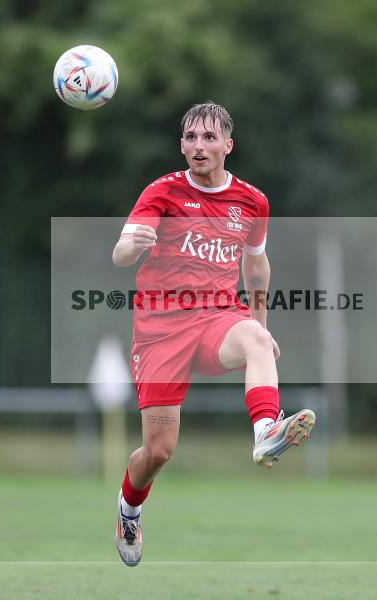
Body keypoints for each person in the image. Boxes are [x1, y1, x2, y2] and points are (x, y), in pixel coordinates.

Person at [111, 102, 316, 567]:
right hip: (160, 331)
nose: (198, 146)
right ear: (181, 145)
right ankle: (129, 510)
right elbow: (121, 253)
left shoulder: (252, 201)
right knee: (158, 452)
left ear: (228, 145)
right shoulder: (162, 191)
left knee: (256, 341)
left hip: (216, 318)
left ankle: (266, 432)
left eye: (208, 137)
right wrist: (131, 245)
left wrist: (260, 328)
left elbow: (256, 267)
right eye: (190, 137)